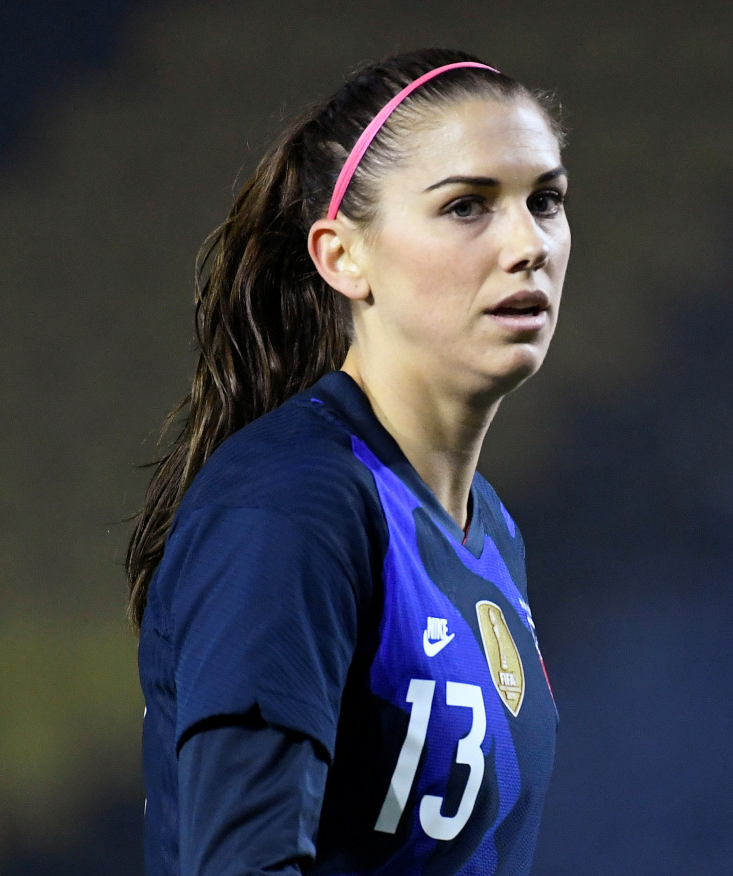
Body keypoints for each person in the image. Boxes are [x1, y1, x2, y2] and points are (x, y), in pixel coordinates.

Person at [128, 47, 570, 875]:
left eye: (545, 200)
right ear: (342, 256)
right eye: (468, 206)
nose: (528, 243)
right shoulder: (292, 507)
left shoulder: (491, 530)